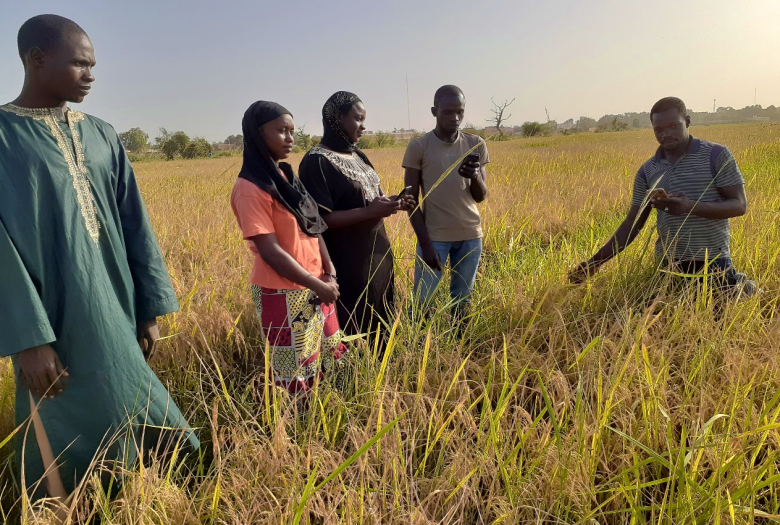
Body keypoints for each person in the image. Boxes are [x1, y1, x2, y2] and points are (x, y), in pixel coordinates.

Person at [0, 15, 198, 501]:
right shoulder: (3, 136)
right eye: (80, 64)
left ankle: (147, 488)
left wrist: (149, 305)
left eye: (94, 65)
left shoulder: (103, 134)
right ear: (36, 60)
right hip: (50, 315)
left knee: (137, 399)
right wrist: (28, 338)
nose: (91, 75)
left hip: (116, 300)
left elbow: (136, 224)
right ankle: (60, 500)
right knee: (59, 407)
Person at [569, 96, 756, 294]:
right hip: (669, 264)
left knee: (721, 311)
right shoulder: (648, 170)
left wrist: (690, 206)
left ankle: (744, 286)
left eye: (674, 126)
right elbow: (632, 224)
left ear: (688, 122)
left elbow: (739, 205)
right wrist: (594, 263)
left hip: (713, 260)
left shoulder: (716, 155)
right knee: (654, 314)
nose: (666, 134)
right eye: (659, 129)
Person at [230, 101, 349, 397]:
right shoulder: (250, 187)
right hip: (282, 293)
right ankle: (295, 435)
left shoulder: (286, 177)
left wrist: (329, 271)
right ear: (258, 134)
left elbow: (314, 226)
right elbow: (270, 251)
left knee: (330, 353)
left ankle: (327, 420)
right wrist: (315, 284)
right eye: (281, 131)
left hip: (317, 282)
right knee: (294, 372)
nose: (290, 138)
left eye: (292, 131)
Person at [299, 91, 415, 345]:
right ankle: (353, 379)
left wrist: (395, 201)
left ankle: (381, 372)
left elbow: (372, 201)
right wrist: (370, 212)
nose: (363, 126)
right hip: (347, 261)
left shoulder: (359, 156)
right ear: (337, 118)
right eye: (358, 119)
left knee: (382, 321)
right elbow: (320, 220)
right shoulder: (316, 162)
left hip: (378, 256)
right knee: (353, 327)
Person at [402, 85, 489, 318]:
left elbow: (481, 196)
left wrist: (473, 176)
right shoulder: (419, 147)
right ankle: (417, 348)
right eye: (448, 112)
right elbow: (410, 200)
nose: (456, 118)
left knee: (463, 299)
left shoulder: (475, 144)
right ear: (434, 111)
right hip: (434, 238)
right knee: (422, 302)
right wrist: (426, 244)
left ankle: (458, 345)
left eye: (460, 111)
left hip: (470, 236)